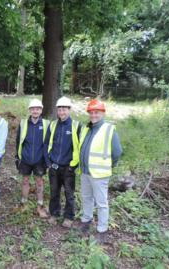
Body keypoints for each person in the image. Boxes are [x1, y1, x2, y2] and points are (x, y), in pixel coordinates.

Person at [79, 99, 122, 243]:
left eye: (96, 112)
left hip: (100, 174)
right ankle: (86, 221)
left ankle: (102, 231)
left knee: (101, 203)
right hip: (85, 171)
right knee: (86, 198)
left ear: (102, 113)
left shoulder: (108, 129)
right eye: (91, 112)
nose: (93, 115)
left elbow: (117, 152)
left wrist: (109, 166)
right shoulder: (87, 128)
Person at [44, 96, 81, 228]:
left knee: (69, 194)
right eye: (59, 109)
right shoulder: (53, 125)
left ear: (69, 110)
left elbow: (79, 148)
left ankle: (69, 217)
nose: (61, 112)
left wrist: (73, 166)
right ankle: (54, 214)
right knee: (54, 192)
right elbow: (46, 144)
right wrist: (48, 163)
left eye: (64, 109)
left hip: (68, 167)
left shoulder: (76, 126)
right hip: (54, 166)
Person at [15, 98, 49, 218]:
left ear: (41, 110)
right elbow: (18, 141)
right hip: (25, 158)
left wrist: (47, 160)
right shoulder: (23, 123)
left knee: (39, 182)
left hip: (40, 160)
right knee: (25, 181)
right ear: (30, 110)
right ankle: (23, 203)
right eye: (33, 109)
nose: (35, 111)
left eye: (38, 109)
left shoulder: (46, 124)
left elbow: (49, 143)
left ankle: (40, 206)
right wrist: (17, 157)